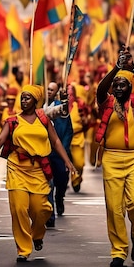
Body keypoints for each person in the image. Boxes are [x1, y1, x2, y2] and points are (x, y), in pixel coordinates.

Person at [0, 84, 76, 262]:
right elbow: (1, 138)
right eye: (23, 97)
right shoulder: (13, 120)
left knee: (41, 209)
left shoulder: (44, 118)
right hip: (17, 168)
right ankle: (23, 249)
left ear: (36, 101)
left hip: (39, 170)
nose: (23, 100)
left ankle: (37, 234)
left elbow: (56, 141)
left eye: (27, 98)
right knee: (19, 209)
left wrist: (67, 161)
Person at [95, 47, 134, 267]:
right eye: (116, 85)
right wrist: (116, 68)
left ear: (130, 88)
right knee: (114, 208)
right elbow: (100, 90)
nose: (118, 88)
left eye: (123, 85)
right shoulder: (107, 102)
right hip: (111, 158)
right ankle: (118, 251)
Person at [44, 82, 73, 224]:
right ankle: (50, 215)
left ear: (56, 93)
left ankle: (60, 198)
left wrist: (65, 150)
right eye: (47, 89)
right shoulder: (38, 107)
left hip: (59, 152)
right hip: (44, 152)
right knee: (48, 183)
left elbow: (68, 130)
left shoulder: (60, 109)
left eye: (52, 90)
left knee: (61, 180)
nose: (49, 91)